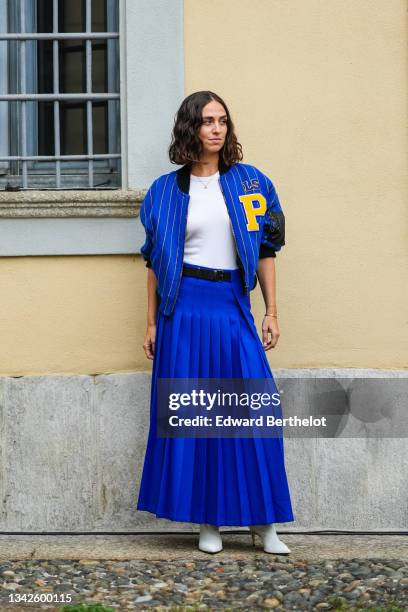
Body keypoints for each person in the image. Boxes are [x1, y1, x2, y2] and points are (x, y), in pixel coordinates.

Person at [137, 91, 294, 554]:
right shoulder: (164, 191)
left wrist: (271, 311)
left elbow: (267, 250)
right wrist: (149, 324)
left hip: (231, 304)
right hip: (182, 309)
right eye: (207, 121)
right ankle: (209, 523)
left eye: (222, 120)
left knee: (254, 414)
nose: (216, 128)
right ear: (190, 128)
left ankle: (264, 524)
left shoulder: (251, 183)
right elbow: (151, 262)